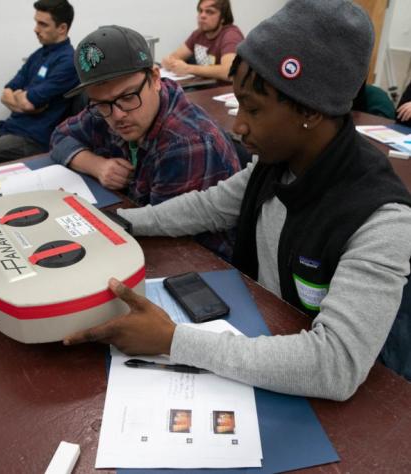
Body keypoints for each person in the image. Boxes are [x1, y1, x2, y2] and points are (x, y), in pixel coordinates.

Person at [63, 0, 411, 401]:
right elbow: (208, 205)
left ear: (312, 111)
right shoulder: (275, 164)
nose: (238, 124)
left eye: (253, 108)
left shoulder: (382, 219)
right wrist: (127, 222)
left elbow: (336, 364)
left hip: (347, 402)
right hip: (266, 330)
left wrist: (173, 340)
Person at [50, 25, 240, 258]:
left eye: (128, 97)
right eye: (101, 103)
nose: (118, 115)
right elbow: (59, 136)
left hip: (196, 262)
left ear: (155, 78)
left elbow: (159, 235)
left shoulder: (187, 143)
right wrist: (96, 165)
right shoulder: (107, 108)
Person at [0, 0, 79, 170]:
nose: (35, 29)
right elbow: (6, 92)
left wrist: (24, 100)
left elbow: (27, 102)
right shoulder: (40, 54)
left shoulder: (68, 61)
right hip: (8, 128)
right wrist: (25, 103)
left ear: (62, 28)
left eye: (43, 24)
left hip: (32, 139)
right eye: (36, 22)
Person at [161, 0, 243, 82]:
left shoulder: (231, 35)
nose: (202, 15)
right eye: (200, 11)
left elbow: (229, 71)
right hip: (203, 86)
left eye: (210, 12)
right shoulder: (198, 34)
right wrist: (169, 62)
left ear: (223, 18)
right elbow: (174, 56)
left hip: (223, 90)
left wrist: (188, 68)